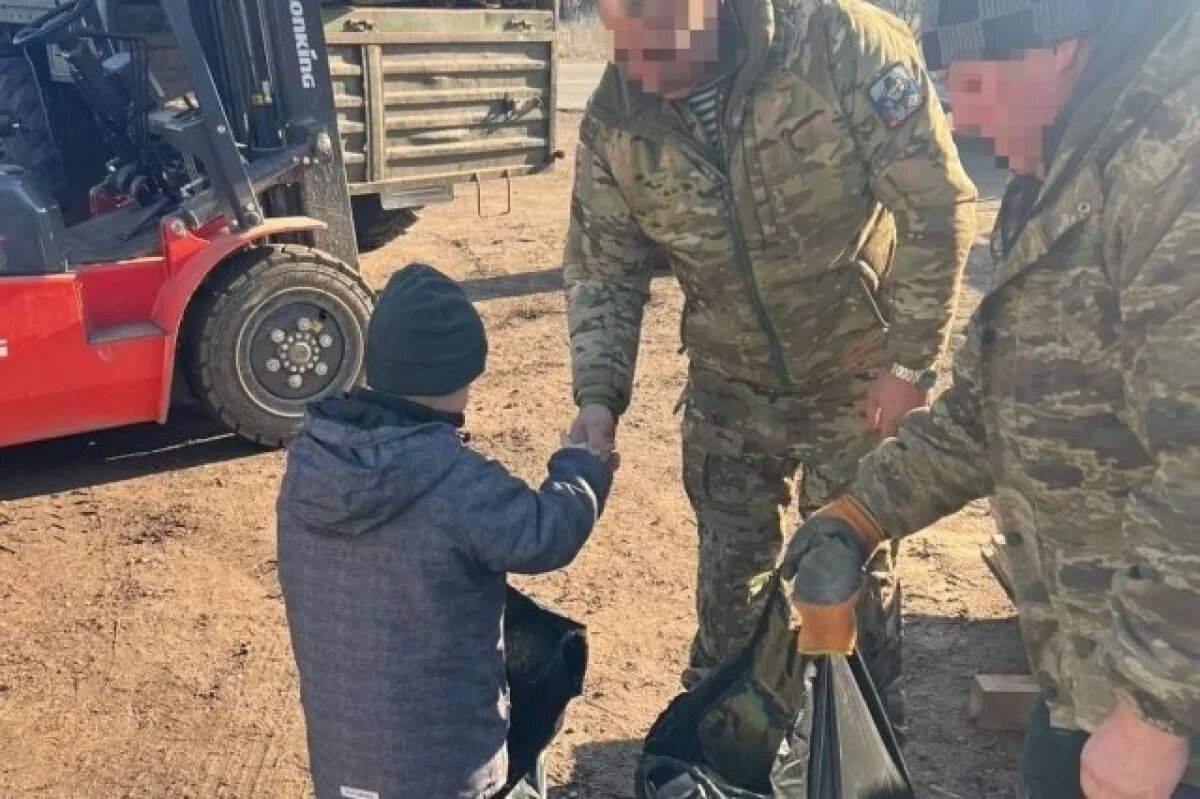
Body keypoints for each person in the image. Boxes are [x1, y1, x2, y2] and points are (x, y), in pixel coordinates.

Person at [782, 1, 1200, 796]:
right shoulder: (1063, 165)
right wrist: (861, 513)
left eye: (971, 82)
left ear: (1058, 48)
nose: (957, 113)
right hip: (1090, 672)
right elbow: (989, 408)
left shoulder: (1173, 162)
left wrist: (1155, 711)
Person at [562, 0, 978, 712]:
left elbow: (936, 206)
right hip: (729, 384)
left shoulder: (839, 43)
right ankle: (731, 748)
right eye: (622, 43)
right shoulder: (618, 119)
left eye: (657, 49)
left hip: (857, 375)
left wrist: (911, 365)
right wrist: (598, 398)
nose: (637, 72)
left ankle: (861, 748)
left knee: (851, 576)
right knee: (729, 598)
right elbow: (604, 267)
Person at [276, 264, 615, 799]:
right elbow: (547, 533)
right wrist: (582, 466)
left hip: (343, 762)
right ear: (461, 376)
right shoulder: (454, 480)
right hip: (445, 766)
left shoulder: (311, 464)